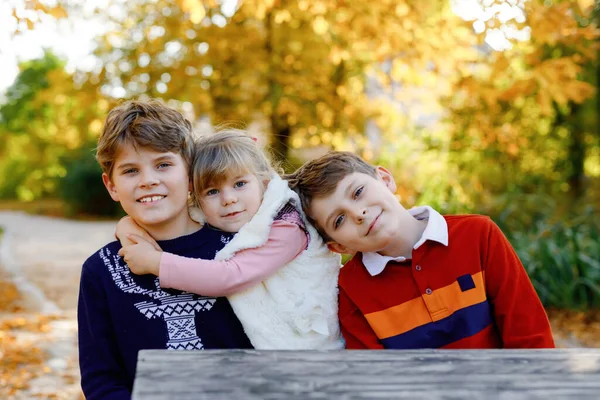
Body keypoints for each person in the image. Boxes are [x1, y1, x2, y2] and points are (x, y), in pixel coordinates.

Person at [284, 151, 555, 349]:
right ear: (338, 246)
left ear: (386, 179)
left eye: (357, 193)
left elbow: (530, 338)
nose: (359, 213)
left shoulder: (478, 235)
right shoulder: (350, 289)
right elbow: (373, 380)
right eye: (339, 220)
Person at [77, 100, 253, 400]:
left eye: (163, 164)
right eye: (131, 170)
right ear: (112, 186)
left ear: (190, 174)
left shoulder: (240, 251)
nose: (148, 180)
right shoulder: (101, 270)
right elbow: (101, 379)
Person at [117, 130, 343, 350]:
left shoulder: (287, 227)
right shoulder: (232, 213)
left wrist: (156, 263)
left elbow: (231, 275)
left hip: (316, 349)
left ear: (264, 183)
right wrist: (126, 227)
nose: (228, 199)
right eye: (212, 192)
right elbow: (173, 217)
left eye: (239, 184)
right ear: (195, 196)